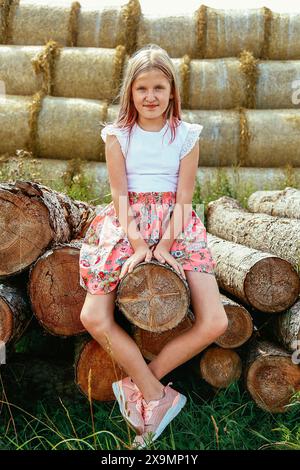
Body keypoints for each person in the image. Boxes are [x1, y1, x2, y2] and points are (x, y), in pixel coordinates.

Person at [79, 44, 228, 448]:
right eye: (142, 88)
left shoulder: (185, 135)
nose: (150, 96)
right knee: (93, 316)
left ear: (172, 92)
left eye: (159, 87)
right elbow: (119, 197)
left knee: (216, 321)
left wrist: (164, 244)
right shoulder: (117, 136)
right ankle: (156, 394)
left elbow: (184, 198)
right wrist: (140, 244)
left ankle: (141, 384)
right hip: (129, 226)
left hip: (177, 225)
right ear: (130, 92)